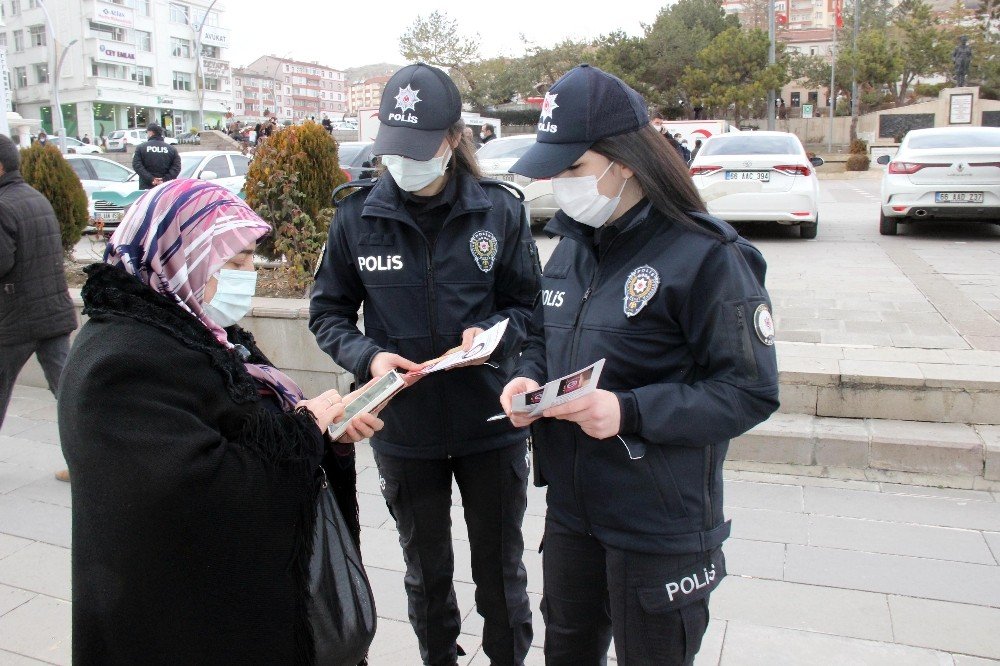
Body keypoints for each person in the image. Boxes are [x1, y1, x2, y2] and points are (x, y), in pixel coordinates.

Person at [499, 64, 780, 665]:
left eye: (573, 169)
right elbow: (547, 339)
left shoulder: (708, 256)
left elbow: (749, 390)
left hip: (659, 523)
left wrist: (628, 411)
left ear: (624, 162)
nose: (560, 184)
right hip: (574, 512)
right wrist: (525, 374)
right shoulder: (573, 245)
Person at [59, 179, 384, 664]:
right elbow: (192, 489)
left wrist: (324, 428)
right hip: (179, 627)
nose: (247, 273)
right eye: (233, 262)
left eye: (252, 258)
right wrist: (305, 430)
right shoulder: (120, 360)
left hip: (223, 610)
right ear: (177, 255)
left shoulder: (199, 331)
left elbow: (252, 426)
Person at [310, 62, 540, 666]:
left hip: (488, 424)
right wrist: (368, 356)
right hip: (404, 430)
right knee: (426, 570)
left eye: (420, 148)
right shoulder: (355, 217)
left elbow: (527, 307)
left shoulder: (500, 211)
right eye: (396, 148)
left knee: (500, 572)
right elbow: (327, 314)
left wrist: (494, 334)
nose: (405, 161)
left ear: (452, 140)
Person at [0, 134, 77, 482]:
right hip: (51, 313)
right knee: (69, 393)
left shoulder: (2, 205)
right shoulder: (36, 198)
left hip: (15, 318)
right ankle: (84, 465)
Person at [132, 123, 181, 190]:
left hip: (146, 187)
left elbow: (137, 165)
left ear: (151, 133)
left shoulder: (141, 148)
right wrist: (164, 180)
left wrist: (151, 179)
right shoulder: (172, 149)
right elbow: (176, 167)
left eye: (147, 132)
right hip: (166, 188)